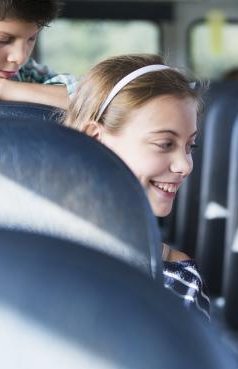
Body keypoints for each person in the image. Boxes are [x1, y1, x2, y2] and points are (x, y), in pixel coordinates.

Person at [64, 54, 210, 319]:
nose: (185, 166)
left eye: (191, 146)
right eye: (165, 144)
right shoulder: (34, 254)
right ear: (94, 139)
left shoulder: (179, 280)